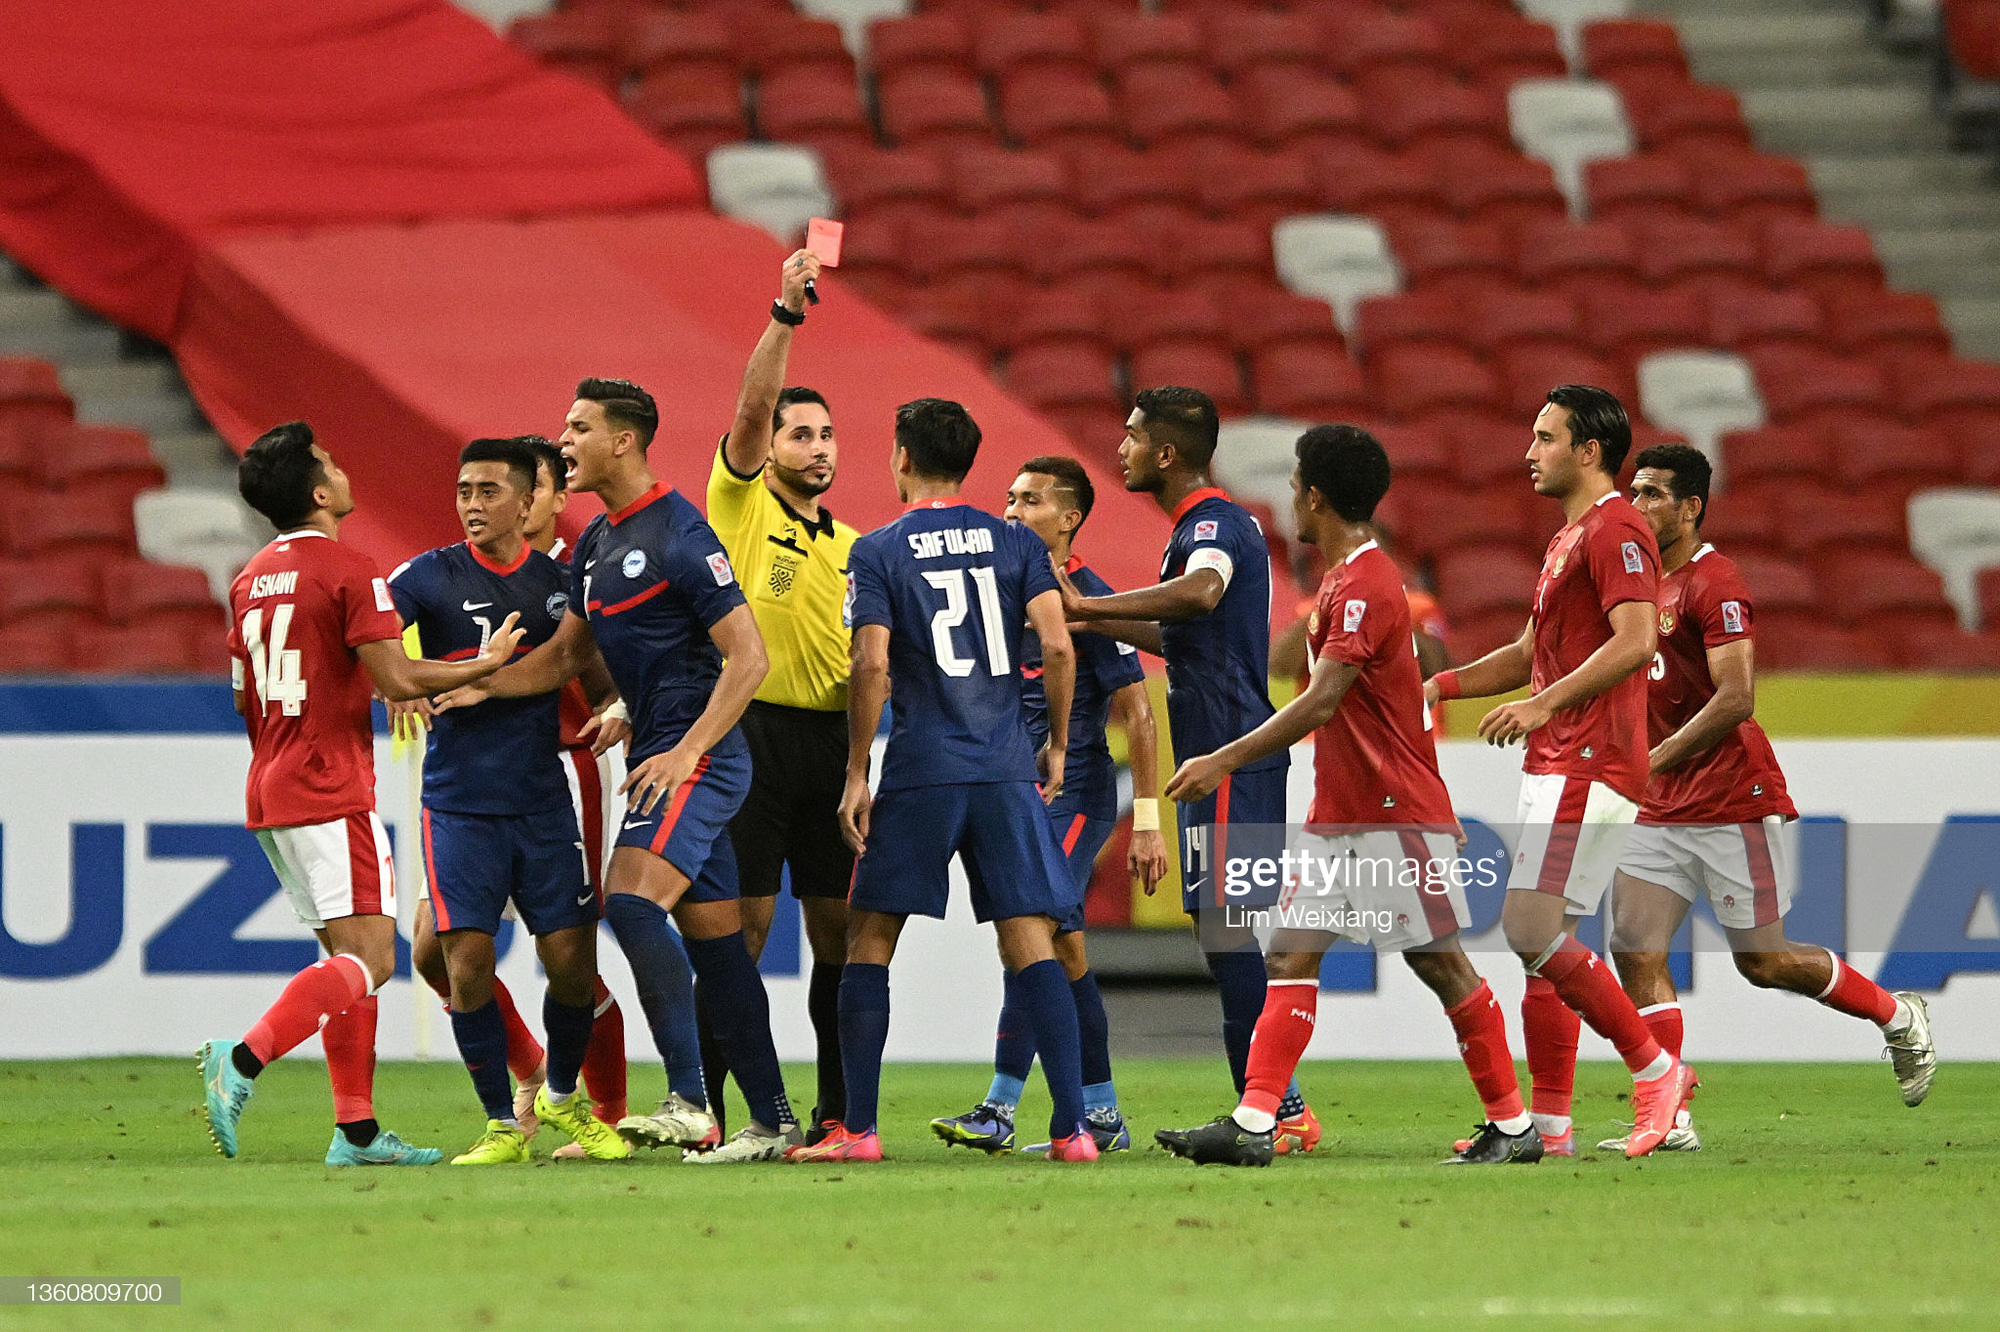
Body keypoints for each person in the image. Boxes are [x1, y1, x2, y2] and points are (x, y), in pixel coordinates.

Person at [1151, 425, 1540, 1167]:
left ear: (1316, 495)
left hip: (1391, 819)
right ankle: (1257, 1122)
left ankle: (1514, 1126)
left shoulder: (1365, 585)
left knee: (1442, 966)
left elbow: (1324, 700)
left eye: (1296, 484)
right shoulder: (1340, 583)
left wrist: (1222, 758)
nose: (1290, 497)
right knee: (1290, 957)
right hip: (1349, 818)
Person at [436, 378, 799, 1164]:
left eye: (578, 427)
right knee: (716, 944)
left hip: (696, 756)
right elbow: (568, 654)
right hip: (660, 749)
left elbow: (750, 657)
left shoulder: (681, 533)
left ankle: (691, 1101)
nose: (562, 441)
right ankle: (771, 1120)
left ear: (623, 441)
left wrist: (687, 749)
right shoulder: (599, 542)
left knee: (631, 905)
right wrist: (479, 681)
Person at [198, 422, 524, 1164]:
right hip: (328, 784)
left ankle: (357, 1131)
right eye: (333, 463)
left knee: (343, 962)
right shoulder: (350, 569)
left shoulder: (249, 579)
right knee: (374, 959)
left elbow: (244, 691)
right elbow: (401, 679)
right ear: (319, 493)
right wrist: (485, 662)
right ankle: (241, 1059)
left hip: (271, 782)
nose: (344, 471)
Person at [1597, 443, 1935, 1151]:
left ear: (1690, 508)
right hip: (1660, 804)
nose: (1638, 505)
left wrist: (1650, 757)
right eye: (1635, 492)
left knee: (1765, 963)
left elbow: (1737, 697)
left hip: (1731, 800)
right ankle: (1671, 1114)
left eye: (1654, 494)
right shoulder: (1636, 584)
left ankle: (1896, 1015)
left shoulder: (1714, 582)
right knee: (1633, 946)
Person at [790, 399, 1097, 1164]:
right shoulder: (1017, 542)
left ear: (900, 456)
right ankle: (1072, 1131)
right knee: (1031, 939)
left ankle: (858, 1130)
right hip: (1003, 769)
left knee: (870, 939)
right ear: (968, 462)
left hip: (925, 768)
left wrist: (857, 769)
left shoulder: (880, 550)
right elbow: (1057, 648)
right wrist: (1055, 743)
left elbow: (870, 663)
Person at [1424, 385, 1694, 1159]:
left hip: (1591, 757)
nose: (1529, 452)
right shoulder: (1570, 537)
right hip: (1561, 759)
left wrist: (1544, 707)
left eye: (1545, 438)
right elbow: (1525, 653)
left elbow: (1638, 639)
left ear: (1588, 452)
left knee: (1529, 927)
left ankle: (1656, 1069)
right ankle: (1548, 1128)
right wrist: (1436, 686)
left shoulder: (1618, 531)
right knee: (1549, 949)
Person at [1058, 386, 1318, 1154]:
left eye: (1134, 437)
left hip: (1236, 752)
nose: (1123, 448)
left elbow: (1200, 596)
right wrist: (1088, 615)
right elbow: (1185, 638)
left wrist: (1092, 608)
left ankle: (1272, 1109)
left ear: (1166, 453)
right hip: (1215, 756)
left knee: (1230, 931)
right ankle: (1275, 1103)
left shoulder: (1211, 525)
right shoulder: (1196, 528)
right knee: (1220, 931)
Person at [385, 437, 630, 1163]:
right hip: (458, 799)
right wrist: (421, 681)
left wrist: (619, 706)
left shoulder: (562, 586)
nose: (471, 505)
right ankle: (500, 1120)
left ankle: (566, 1101)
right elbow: (374, 656)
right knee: (458, 961)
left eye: (489, 491)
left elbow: (606, 671)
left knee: (571, 965)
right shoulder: (425, 577)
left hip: (544, 795)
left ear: (529, 503)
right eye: (464, 491)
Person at [930, 456, 1169, 1155]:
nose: (1011, 510)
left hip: (1074, 798)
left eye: (1030, 500)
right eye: (1008, 497)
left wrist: (1148, 823)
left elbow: (1140, 715)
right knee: (1062, 952)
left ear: (1069, 518)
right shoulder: (997, 595)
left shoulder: (1091, 600)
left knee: (1029, 933)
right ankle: (1101, 1116)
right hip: (1011, 792)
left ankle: (1001, 1107)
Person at [705, 250, 856, 1143]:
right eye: (801, 435)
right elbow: (753, 409)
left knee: (837, 938)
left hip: (834, 747)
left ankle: (837, 1115)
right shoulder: (742, 505)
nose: (816, 448)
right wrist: (785, 316)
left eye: (827, 436)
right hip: (754, 740)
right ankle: (710, 1112)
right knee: (746, 932)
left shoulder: (859, 545)